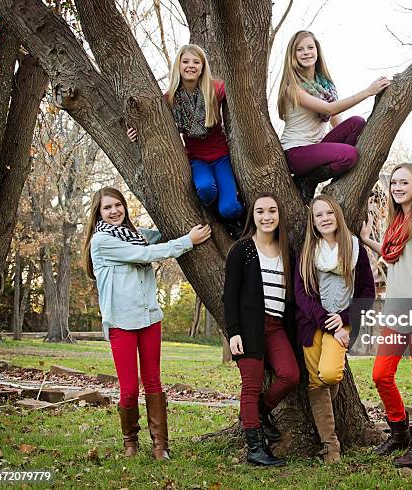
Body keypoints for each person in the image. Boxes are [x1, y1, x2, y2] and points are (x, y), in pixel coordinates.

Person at [82, 187, 211, 460]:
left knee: (153, 381)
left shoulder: (134, 235)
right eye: (107, 208)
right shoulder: (102, 241)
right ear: (98, 213)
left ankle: (160, 445)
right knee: (128, 388)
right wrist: (188, 241)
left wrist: (185, 220)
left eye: (118, 205)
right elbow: (146, 254)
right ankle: (130, 442)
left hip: (149, 317)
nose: (115, 211)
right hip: (121, 322)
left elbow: (158, 235)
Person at [360, 163, 412, 467]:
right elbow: (390, 257)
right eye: (394, 182)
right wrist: (367, 239)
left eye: (404, 182)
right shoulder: (396, 225)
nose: (397, 188)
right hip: (395, 312)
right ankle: (399, 433)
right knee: (381, 374)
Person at [127, 44, 244, 235]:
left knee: (229, 208)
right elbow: (152, 126)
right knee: (206, 188)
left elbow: (238, 91)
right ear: (178, 66)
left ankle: (236, 216)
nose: (191, 66)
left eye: (196, 62)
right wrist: (135, 135)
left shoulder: (215, 89)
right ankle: (215, 215)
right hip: (196, 159)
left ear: (203, 66)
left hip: (221, 156)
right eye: (186, 61)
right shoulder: (169, 99)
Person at [295, 194, 375, 463]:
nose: (325, 218)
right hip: (311, 325)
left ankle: (330, 445)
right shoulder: (308, 251)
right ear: (313, 221)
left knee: (328, 375)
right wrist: (326, 320)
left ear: (337, 216)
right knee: (315, 381)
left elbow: (367, 293)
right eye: (319, 215)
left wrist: (342, 319)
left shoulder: (355, 250)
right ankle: (331, 447)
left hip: (344, 325)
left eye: (329, 213)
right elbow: (302, 294)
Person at [222, 193, 299, 467]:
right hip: (249, 328)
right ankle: (255, 450)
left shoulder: (287, 251)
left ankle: (258, 412)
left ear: (279, 215)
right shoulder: (241, 249)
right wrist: (234, 333)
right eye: (260, 212)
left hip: (276, 327)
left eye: (272, 211)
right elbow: (229, 297)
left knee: (290, 375)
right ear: (252, 217)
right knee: (250, 388)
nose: (267, 217)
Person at [277, 30, 391, 203]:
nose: (306, 52)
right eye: (300, 49)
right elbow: (329, 109)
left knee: (356, 123)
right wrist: (368, 92)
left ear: (317, 51)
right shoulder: (292, 88)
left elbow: (337, 123)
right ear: (292, 55)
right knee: (349, 155)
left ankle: (347, 181)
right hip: (296, 152)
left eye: (310, 47)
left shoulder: (324, 85)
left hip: (317, 148)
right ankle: (308, 180)